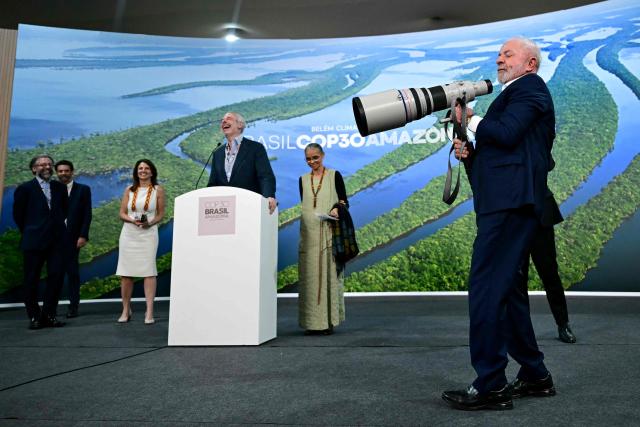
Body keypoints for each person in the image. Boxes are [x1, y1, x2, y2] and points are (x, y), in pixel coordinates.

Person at [442, 37, 557, 410]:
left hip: (510, 206)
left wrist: (469, 118)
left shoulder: (531, 90)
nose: (499, 59)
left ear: (531, 64)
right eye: (499, 54)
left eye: (508, 54)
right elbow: (505, 151)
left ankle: (491, 383)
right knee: (507, 292)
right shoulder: (515, 96)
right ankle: (535, 375)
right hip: (506, 202)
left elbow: (505, 134)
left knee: (488, 288)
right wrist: (470, 153)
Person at [297, 143, 348, 335]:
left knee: (329, 278)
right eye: (308, 159)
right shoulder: (302, 180)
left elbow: (344, 201)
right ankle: (311, 323)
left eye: (315, 158)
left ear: (323, 156)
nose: (312, 162)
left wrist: (336, 209)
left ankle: (328, 323)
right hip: (309, 238)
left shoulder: (334, 175)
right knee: (309, 280)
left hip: (329, 235)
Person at [13, 155, 68, 329]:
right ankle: (34, 317)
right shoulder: (25, 188)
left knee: (56, 277)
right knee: (31, 280)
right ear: (34, 169)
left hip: (57, 241)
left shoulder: (59, 187)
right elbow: (19, 216)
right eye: (42, 164)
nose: (46, 167)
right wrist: (32, 231)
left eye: (49, 164)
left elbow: (64, 211)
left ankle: (49, 315)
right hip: (34, 241)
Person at [115, 159, 165, 325]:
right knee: (126, 273)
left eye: (146, 168)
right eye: (140, 168)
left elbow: (160, 215)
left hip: (148, 234)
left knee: (149, 271)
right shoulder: (129, 189)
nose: (143, 170)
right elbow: (122, 213)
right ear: (136, 172)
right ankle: (125, 309)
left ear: (152, 172)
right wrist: (132, 220)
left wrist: (149, 223)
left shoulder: (158, 190)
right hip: (129, 234)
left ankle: (149, 311)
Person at [207, 111, 277, 214]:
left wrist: (268, 196)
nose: (224, 122)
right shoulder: (217, 153)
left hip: (249, 209)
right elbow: (212, 184)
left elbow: (265, 176)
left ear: (240, 125)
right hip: (223, 212)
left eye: (228, 119)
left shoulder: (255, 148)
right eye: (222, 121)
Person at [532, 190, 577, 344]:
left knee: (550, 274)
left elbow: (549, 165)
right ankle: (520, 330)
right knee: (517, 277)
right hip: (514, 216)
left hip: (541, 215)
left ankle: (563, 324)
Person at [55, 160, 92, 318]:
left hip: (73, 238)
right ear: (57, 172)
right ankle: (51, 308)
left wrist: (83, 235)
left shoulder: (83, 190)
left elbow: (87, 214)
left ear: (72, 172)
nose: (63, 173)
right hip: (53, 239)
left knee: (72, 273)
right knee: (54, 274)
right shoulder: (51, 189)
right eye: (61, 171)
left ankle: (73, 306)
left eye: (66, 171)